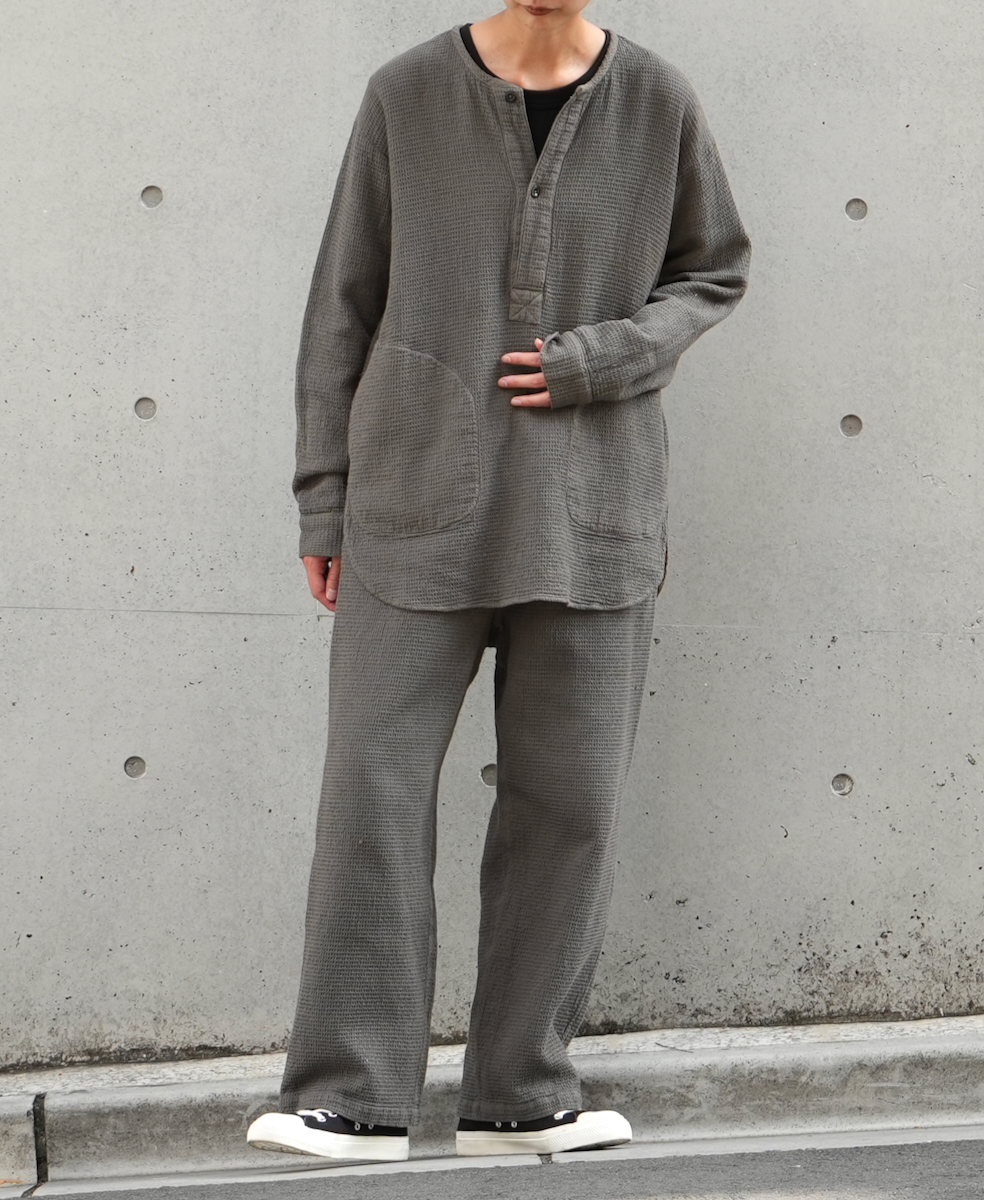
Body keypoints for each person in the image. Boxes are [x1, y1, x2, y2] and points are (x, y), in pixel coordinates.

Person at [247, 0, 750, 1164]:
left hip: (593, 511)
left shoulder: (658, 101)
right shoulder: (406, 95)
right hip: (411, 502)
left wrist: (614, 354)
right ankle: (348, 1095)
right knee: (372, 792)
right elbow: (342, 304)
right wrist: (324, 496)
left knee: (568, 807)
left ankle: (522, 1096)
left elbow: (713, 268)